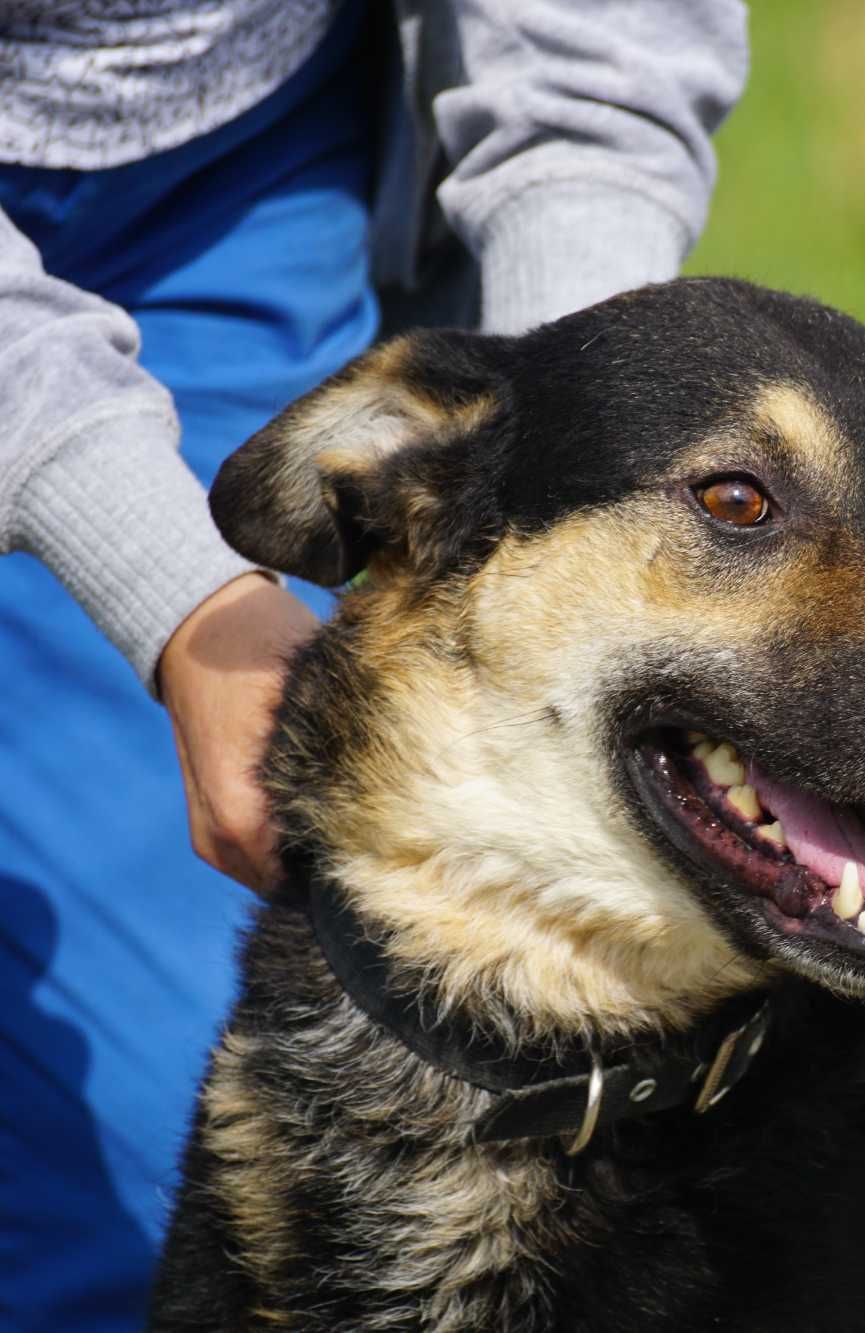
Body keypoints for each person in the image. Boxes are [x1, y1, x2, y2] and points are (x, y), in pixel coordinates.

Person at [0, 3, 748, 1327]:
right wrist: (188, 607)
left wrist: (577, 424)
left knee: (135, 1165)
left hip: (229, 174)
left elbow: (596, 48)